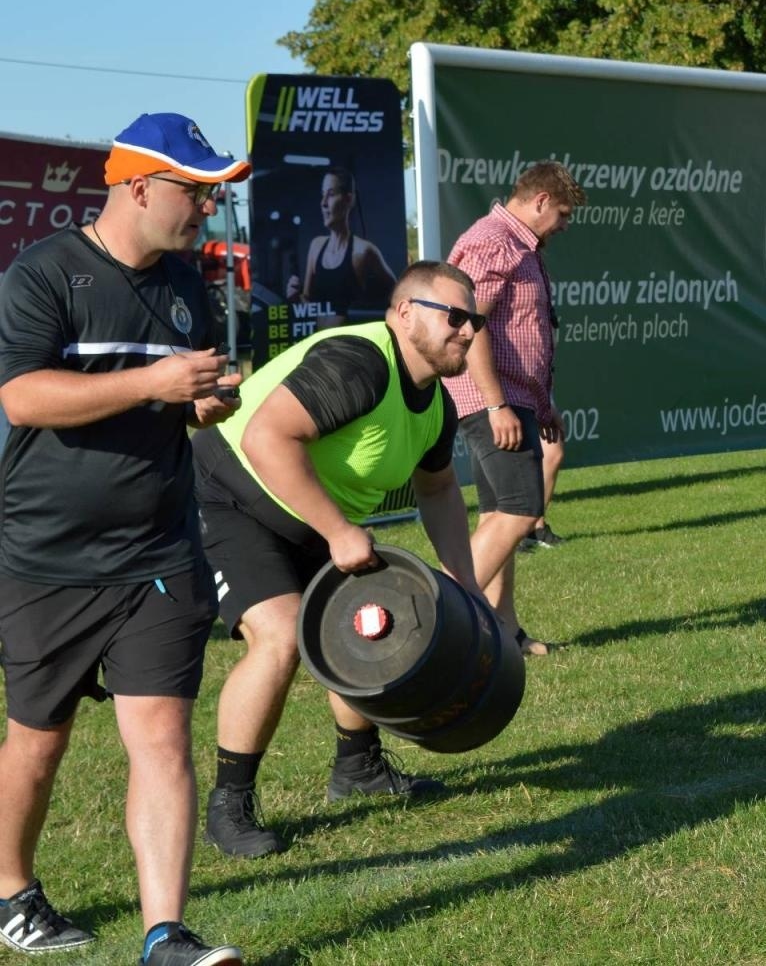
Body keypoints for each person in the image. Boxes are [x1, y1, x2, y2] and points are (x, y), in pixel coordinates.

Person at [0, 113, 245, 964]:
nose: (207, 210)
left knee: (162, 739)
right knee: (37, 740)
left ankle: (164, 934)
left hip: (160, 552)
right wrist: (155, 380)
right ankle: (12, 892)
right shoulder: (44, 275)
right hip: (47, 557)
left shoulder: (189, 286)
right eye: (196, 192)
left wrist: (205, 400)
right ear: (140, 187)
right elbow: (24, 398)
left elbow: (186, 396)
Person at [196, 262, 492, 858]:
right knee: (280, 636)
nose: (468, 332)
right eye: (455, 317)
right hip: (231, 489)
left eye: (475, 321)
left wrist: (467, 586)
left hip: (312, 513)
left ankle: (358, 770)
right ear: (406, 314)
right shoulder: (359, 362)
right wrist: (337, 531)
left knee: (370, 620)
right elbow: (264, 437)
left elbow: (436, 491)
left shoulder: (435, 404)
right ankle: (229, 804)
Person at [445, 163, 588, 657]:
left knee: (498, 516)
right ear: (542, 200)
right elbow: (469, 327)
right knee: (520, 510)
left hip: (515, 399)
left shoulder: (522, 245)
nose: (566, 227)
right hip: (493, 400)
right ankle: (432, 624)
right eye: (564, 214)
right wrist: (497, 403)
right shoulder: (494, 241)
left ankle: (502, 631)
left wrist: (541, 406)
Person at [286, 167, 397, 324]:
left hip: (349, 345)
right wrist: (295, 298)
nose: (323, 203)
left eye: (331, 194)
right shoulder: (316, 246)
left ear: (348, 199)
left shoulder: (363, 251)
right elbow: (308, 303)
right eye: (322, 195)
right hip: (319, 343)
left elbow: (400, 292)